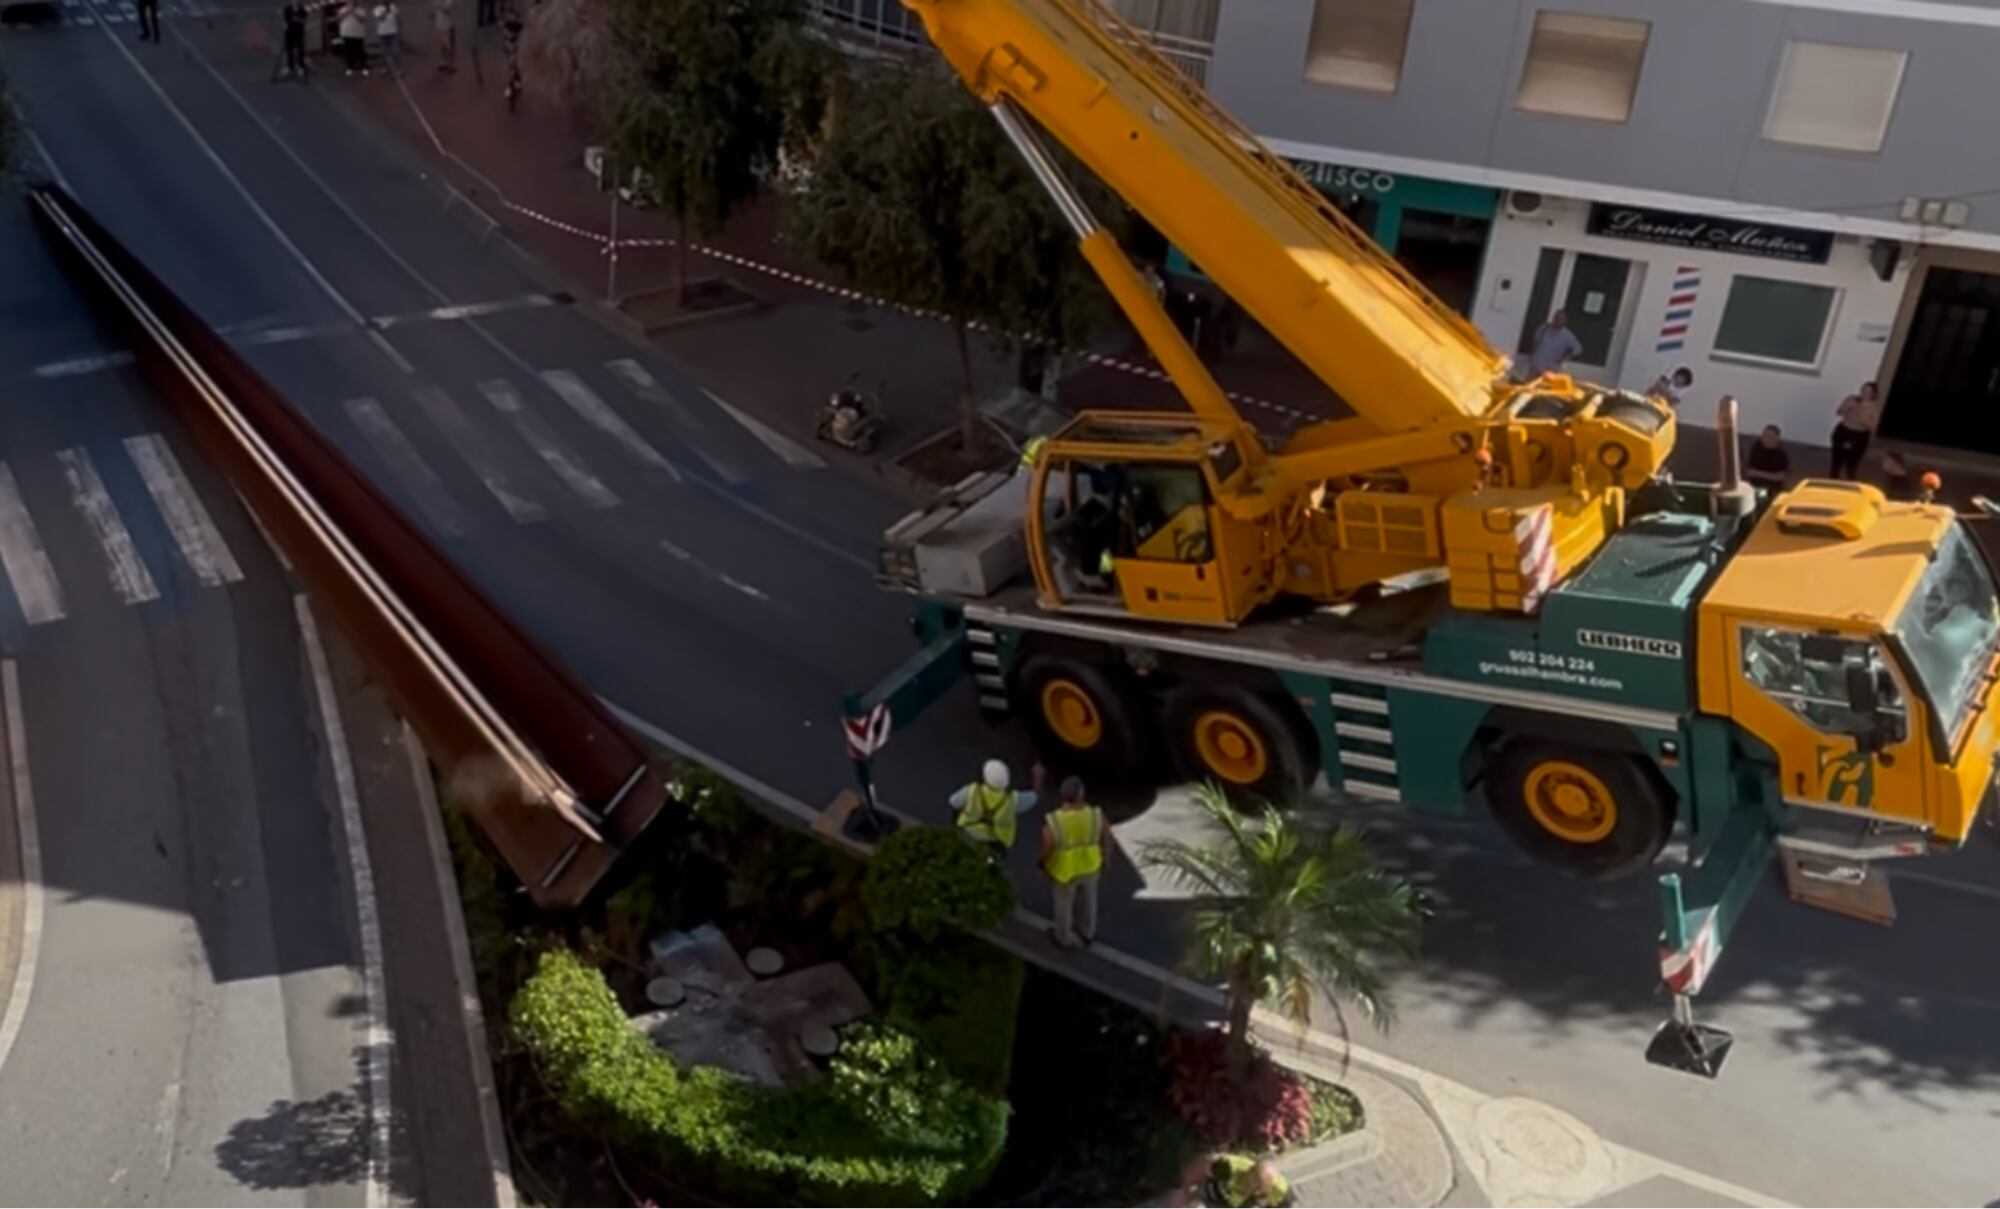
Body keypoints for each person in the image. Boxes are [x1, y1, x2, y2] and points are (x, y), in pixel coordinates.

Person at [1040, 776, 1108, 949]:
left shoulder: (1055, 820)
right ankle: (1087, 933)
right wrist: (1105, 859)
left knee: (1063, 905)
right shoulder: (1095, 815)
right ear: (1081, 793)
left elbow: (1048, 845)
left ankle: (1063, 937)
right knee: (1089, 901)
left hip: (1064, 870)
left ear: (1063, 795)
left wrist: (1042, 864)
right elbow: (1106, 837)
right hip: (1091, 865)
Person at [949, 759, 1040, 863]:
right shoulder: (1013, 800)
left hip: (968, 834)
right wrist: (1037, 777)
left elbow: (953, 802)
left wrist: (956, 825)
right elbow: (1035, 796)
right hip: (995, 842)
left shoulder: (972, 790)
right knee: (991, 865)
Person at [1828, 381, 1881, 480]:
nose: (1864, 393)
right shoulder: (1851, 399)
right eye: (1863, 390)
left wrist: (1862, 417)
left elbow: (1873, 426)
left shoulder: (1874, 408)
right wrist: (1847, 408)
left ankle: (1850, 482)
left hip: (1858, 436)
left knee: (1851, 464)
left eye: (1868, 391)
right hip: (1843, 431)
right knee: (1836, 460)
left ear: (1873, 394)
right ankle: (1833, 480)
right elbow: (1839, 412)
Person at [1205, 1154, 1293, 1208]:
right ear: (1249, 1170)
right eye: (1253, 1185)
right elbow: (1204, 1169)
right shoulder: (1229, 1167)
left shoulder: (1280, 1192)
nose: (1255, 1192)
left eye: (1259, 1189)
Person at [1520, 309, 1585, 381]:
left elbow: (1578, 350)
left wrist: (1565, 356)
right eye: (1557, 318)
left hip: (1550, 370)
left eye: (1561, 320)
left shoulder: (1568, 336)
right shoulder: (1544, 328)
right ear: (1553, 318)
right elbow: (1535, 342)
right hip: (1535, 366)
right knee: (1528, 384)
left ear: (1565, 321)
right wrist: (1531, 356)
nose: (1559, 321)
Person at [1744, 424, 1790, 490]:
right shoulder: (1757, 446)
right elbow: (1749, 466)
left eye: (1770, 437)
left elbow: (1781, 477)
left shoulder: (1781, 453)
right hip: (1752, 484)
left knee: (1759, 494)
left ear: (1777, 438)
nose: (1766, 439)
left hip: (1771, 487)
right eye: (1764, 435)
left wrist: (1758, 473)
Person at [277, 0, 309, 78]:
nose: (294, 1)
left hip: (298, 33)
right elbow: (285, 20)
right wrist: (285, 24)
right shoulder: (287, 9)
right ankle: (290, 67)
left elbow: (303, 21)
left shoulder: (302, 10)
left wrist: (297, 19)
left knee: (300, 50)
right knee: (289, 50)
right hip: (289, 33)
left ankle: (301, 67)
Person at [337, 0, 368, 74]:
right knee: (349, 51)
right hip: (347, 33)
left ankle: (363, 65)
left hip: (358, 34)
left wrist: (353, 12)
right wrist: (348, 11)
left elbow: (362, 19)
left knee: (360, 51)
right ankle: (350, 66)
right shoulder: (343, 10)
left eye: (353, 2)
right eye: (350, 2)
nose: (352, 3)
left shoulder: (361, 10)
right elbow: (339, 19)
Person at [373, 0, 399, 72]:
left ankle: (397, 68)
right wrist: (386, 10)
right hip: (382, 34)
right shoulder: (377, 9)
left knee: (395, 52)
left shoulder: (393, 7)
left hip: (393, 33)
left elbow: (397, 17)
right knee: (384, 53)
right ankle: (385, 68)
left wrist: (398, 29)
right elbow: (380, 18)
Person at [432, 0, 455, 71]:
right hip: (438, 24)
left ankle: (451, 64)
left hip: (447, 26)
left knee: (448, 45)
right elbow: (434, 4)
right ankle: (443, 61)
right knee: (441, 44)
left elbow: (447, 9)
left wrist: (439, 4)